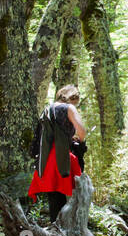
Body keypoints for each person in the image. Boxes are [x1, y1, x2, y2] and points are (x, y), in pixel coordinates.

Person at [27, 85, 87, 223]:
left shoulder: (48, 109)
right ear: (73, 98)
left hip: (46, 158)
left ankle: (55, 228)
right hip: (63, 158)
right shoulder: (69, 108)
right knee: (71, 197)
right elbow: (82, 131)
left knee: (54, 199)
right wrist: (79, 140)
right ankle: (66, 231)